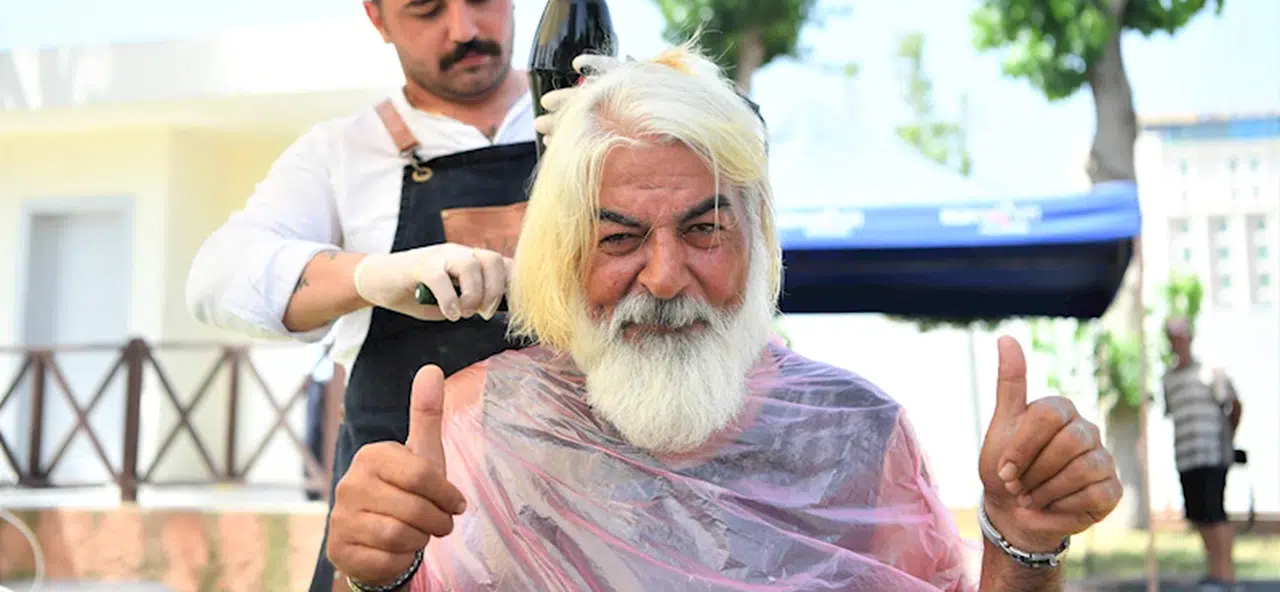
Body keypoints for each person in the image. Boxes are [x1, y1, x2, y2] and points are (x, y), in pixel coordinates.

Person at [324, 43, 1124, 592]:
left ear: (757, 238)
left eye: (704, 230)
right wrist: (379, 577)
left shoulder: (856, 437)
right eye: (619, 238)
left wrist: (1022, 542)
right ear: (564, 254)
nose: (665, 276)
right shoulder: (482, 429)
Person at [184, 0, 538, 591]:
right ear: (378, 19)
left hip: (588, 521)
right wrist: (370, 276)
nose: (464, 29)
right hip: (403, 541)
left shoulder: (592, 120)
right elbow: (216, 277)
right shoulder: (343, 153)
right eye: (427, 9)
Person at [1162, 318, 1242, 590]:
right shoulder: (1168, 379)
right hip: (1186, 457)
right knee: (1198, 515)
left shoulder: (1211, 371)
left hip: (1213, 454)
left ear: (1190, 338)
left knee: (1214, 513)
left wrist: (1228, 438)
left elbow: (1234, 405)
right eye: (1173, 337)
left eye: (1181, 336)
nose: (1178, 342)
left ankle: (1226, 577)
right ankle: (1214, 572)